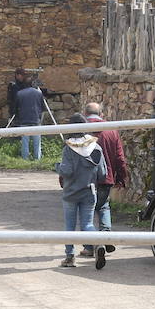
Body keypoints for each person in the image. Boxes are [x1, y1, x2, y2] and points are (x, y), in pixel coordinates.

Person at [55, 114, 106, 269]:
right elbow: (103, 174)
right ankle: (98, 243)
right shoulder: (96, 147)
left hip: (71, 192)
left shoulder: (68, 149)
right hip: (90, 191)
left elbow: (67, 171)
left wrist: (57, 166)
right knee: (88, 224)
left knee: (69, 226)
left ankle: (69, 257)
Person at [81, 102, 128, 264]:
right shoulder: (111, 130)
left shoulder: (81, 129)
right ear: (101, 113)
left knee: (86, 211)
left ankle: (90, 246)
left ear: (85, 113)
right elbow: (119, 157)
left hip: (85, 179)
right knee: (103, 206)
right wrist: (121, 176)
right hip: (106, 177)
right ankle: (105, 235)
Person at [14, 79, 46, 161]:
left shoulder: (19, 93)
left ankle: (25, 159)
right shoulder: (38, 93)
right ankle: (37, 159)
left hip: (24, 121)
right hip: (35, 120)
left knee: (25, 142)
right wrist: (40, 120)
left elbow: (16, 109)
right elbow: (43, 109)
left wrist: (18, 118)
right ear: (32, 84)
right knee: (37, 143)